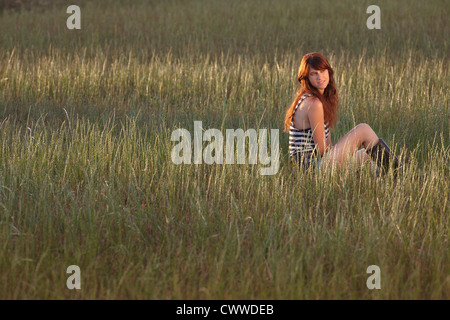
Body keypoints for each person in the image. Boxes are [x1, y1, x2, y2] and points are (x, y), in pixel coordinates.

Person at [284, 52, 401, 175]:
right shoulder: (314, 103)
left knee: (371, 154)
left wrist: (345, 153)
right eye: (314, 74)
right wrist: (348, 150)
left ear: (329, 72)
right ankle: (399, 173)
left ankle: (394, 173)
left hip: (317, 163)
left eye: (323, 71)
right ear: (307, 78)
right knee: (363, 129)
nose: (320, 77)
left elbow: (327, 149)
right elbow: (322, 150)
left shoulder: (315, 100)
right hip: (309, 168)